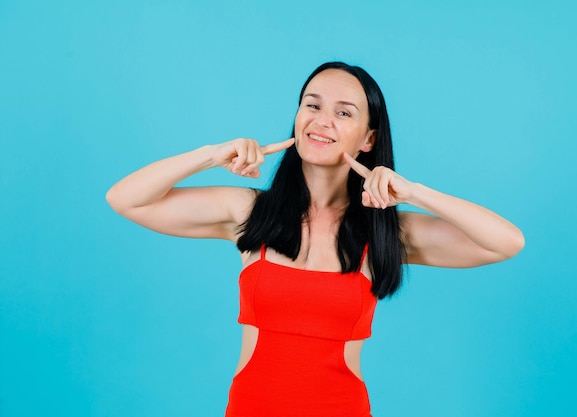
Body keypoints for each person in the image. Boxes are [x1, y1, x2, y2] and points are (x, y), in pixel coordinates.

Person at [106, 61, 525, 417]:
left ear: (369, 138)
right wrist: (212, 154)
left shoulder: (386, 234)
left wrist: (414, 192)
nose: (322, 120)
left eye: (344, 113)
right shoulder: (252, 214)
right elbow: (126, 199)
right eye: (312, 105)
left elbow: (506, 242)